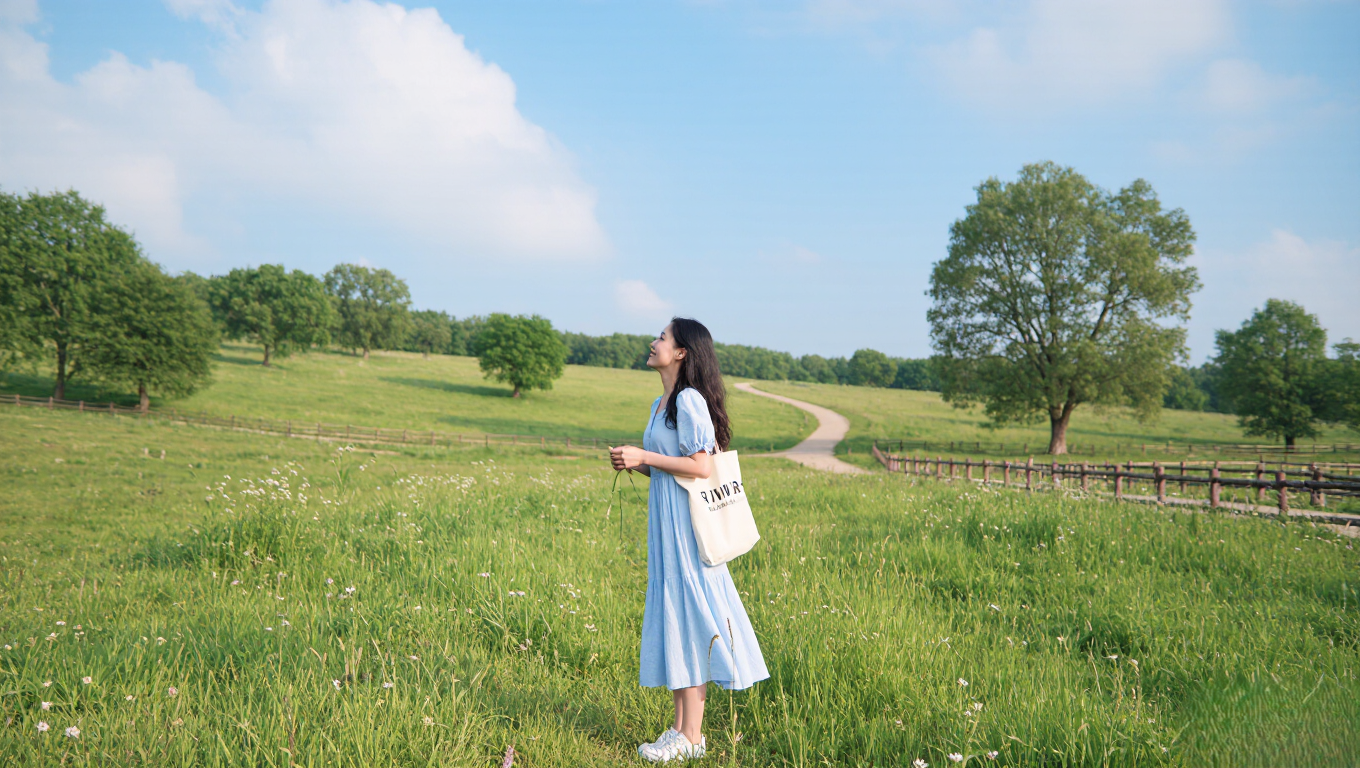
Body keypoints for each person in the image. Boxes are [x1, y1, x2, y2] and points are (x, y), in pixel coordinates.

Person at [610, 317, 769, 762]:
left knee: (692, 621)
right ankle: (680, 731)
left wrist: (645, 455)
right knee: (676, 617)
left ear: (681, 352)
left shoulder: (690, 400)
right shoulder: (661, 403)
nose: (653, 342)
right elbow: (668, 466)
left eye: (662, 337)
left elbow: (701, 466)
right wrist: (636, 463)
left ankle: (693, 737)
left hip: (688, 529)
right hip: (666, 524)